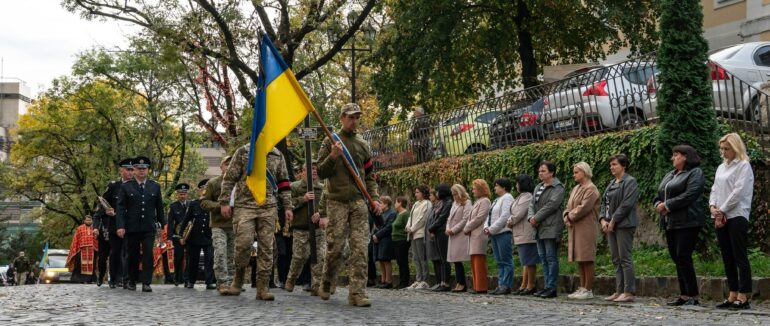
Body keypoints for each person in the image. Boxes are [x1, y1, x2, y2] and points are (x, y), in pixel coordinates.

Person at [316, 103, 382, 307]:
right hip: (336, 201)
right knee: (335, 248)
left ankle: (357, 293)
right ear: (342, 117)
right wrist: (333, 156)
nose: (354, 121)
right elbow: (320, 172)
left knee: (360, 247)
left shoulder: (363, 144)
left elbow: (370, 177)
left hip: (358, 202)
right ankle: (327, 281)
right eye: (351, 117)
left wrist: (375, 198)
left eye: (357, 117)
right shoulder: (330, 141)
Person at [218, 145, 294, 301]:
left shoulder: (277, 154)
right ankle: (237, 282)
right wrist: (224, 201)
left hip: (268, 206)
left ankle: (262, 288)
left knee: (267, 248)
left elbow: (284, 182)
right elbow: (230, 178)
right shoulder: (243, 151)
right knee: (243, 244)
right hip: (244, 205)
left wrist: (288, 206)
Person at [653, 145, 706, 306]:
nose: (672, 158)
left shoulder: (695, 173)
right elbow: (659, 194)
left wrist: (667, 205)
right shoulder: (670, 175)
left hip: (688, 221)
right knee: (677, 258)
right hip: (670, 222)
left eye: (676, 155)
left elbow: (690, 194)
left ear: (685, 156)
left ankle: (693, 295)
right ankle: (683, 294)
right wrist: (657, 204)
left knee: (683, 256)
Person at [711, 133, 754, 310]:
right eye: (721, 148)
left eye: (726, 149)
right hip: (721, 215)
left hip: (736, 214)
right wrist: (712, 206)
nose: (723, 152)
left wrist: (722, 210)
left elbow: (738, 192)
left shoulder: (743, 166)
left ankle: (744, 295)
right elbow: (714, 188)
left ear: (735, 148)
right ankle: (732, 293)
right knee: (727, 256)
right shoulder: (721, 167)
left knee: (739, 255)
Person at [116, 156, 166, 292]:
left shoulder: (155, 186)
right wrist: (120, 226)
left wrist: (163, 223)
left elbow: (159, 206)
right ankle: (131, 281)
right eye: (139, 168)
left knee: (148, 254)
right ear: (134, 170)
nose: (142, 171)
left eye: (144, 168)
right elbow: (120, 208)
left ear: (148, 170)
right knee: (133, 254)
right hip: (132, 227)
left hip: (148, 226)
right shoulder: (126, 186)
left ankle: (146, 282)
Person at [600, 154, 639, 303]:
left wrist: (614, 220)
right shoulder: (611, 183)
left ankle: (628, 291)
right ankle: (619, 290)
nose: (612, 167)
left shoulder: (630, 182)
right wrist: (603, 219)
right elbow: (604, 203)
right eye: (610, 165)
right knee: (616, 259)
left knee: (625, 258)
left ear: (624, 166)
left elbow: (627, 204)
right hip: (610, 225)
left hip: (624, 225)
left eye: (615, 164)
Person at [285, 160, 326, 296]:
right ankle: (291, 279)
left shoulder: (322, 187)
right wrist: (303, 199)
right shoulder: (295, 187)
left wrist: (321, 214)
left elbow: (328, 205)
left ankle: (316, 286)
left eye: (316, 169)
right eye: (310, 168)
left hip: (318, 230)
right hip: (301, 228)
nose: (314, 171)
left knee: (319, 257)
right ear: (303, 172)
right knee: (299, 257)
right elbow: (287, 205)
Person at [92, 158, 133, 288]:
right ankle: (114, 278)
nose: (130, 172)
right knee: (116, 253)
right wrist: (107, 213)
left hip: (130, 225)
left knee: (128, 253)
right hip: (114, 226)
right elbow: (103, 204)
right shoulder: (113, 186)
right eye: (127, 169)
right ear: (121, 170)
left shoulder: (136, 186)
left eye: (132, 170)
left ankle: (125, 278)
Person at [528, 161, 565, 299]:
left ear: (551, 172)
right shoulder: (538, 186)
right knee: (543, 258)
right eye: (539, 171)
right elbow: (531, 204)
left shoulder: (558, 187)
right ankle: (546, 286)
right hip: (538, 226)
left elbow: (552, 205)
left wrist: (536, 218)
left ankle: (552, 287)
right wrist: (531, 217)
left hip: (550, 226)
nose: (540, 173)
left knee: (551, 257)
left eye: (543, 171)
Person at [563, 162, 600, 300]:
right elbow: (569, 205)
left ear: (584, 172)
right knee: (579, 257)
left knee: (587, 257)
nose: (574, 175)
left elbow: (584, 207)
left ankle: (588, 289)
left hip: (586, 227)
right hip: (575, 227)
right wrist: (566, 215)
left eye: (576, 172)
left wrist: (570, 216)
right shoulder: (575, 188)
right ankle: (582, 287)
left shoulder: (591, 189)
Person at [200, 155, 236, 292]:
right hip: (218, 225)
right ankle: (222, 282)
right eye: (226, 164)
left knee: (233, 256)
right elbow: (203, 202)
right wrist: (220, 206)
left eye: (232, 164)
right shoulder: (213, 183)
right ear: (221, 167)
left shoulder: (241, 184)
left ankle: (233, 282)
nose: (229, 167)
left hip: (236, 225)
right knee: (220, 253)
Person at [179, 179, 216, 290]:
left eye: (207, 189)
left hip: (208, 236)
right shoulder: (194, 204)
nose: (205, 191)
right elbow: (186, 220)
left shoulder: (213, 203)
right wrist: (181, 235)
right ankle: (191, 281)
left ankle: (209, 281)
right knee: (193, 260)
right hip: (194, 237)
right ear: (199, 190)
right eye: (203, 189)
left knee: (209, 260)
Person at [507, 174, 539, 296]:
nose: (516, 185)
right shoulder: (521, 196)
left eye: (517, 183)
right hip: (520, 233)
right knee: (525, 261)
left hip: (526, 233)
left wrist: (509, 221)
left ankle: (531, 285)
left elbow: (518, 213)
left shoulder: (528, 197)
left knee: (529, 260)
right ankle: (524, 284)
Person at [486, 178, 515, 295]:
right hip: (494, 233)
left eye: (497, 186)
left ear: (503, 187)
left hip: (503, 232)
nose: (495, 188)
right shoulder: (496, 200)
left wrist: (491, 228)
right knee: (499, 261)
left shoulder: (508, 197)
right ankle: (500, 284)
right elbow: (489, 216)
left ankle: (506, 285)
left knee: (506, 260)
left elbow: (505, 216)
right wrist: (486, 227)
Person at [465, 179, 491, 294]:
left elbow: (479, 218)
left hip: (479, 234)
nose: (473, 191)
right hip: (474, 234)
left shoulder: (485, 201)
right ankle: (477, 285)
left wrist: (467, 227)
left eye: (475, 188)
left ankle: (481, 286)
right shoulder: (478, 201)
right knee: (474, 259)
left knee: (479, 260)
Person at [446, 184, 472, 292]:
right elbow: (449, 218)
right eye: (453, 195)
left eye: (456, 194)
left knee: (458, 259)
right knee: (455, 260)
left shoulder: (467, 202)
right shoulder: (455, 203)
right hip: (452, 234)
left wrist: (454, 229)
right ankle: (459, 282)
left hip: (460, 234)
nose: (454, 197)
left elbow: (465, 219)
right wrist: (448, 228)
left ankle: (462, 283)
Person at [405, 185, 432, 290]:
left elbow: (423, 219)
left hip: (420, 233)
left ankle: (425, 280)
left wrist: (413, 228)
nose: (415, 194)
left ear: (423, 193)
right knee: (416, 258)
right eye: (415, 192)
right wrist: (408, 226)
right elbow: (411, 217)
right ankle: (418, 279)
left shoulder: (427, 204)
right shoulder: (416, 204)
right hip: (413, 234)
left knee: (422, 258)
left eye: (417, 192)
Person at [428, 184, 453, 292]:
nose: (436, 193)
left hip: (442, 231)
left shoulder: (448, 203)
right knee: (441, 259)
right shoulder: (442, 203)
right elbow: (436, 217)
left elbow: (442, 217)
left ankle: (446, 283)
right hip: (437, 231)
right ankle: (442, 282)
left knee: (444, 258)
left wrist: (431, 228)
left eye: (437, 191)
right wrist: (432, 229)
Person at [167, 183, 191, 287]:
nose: (182, 196)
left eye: (184, 194)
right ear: (177, 194)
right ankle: (177, 277)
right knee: (179, 258)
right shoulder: (173, 206)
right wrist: (170, 237)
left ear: (187, 195)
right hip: (178, 237)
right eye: (180, 194)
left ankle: (187, 279)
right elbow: (170, 223)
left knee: (190, 258)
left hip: (190, 236)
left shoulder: (191, 205)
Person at [66, 215, 99, 284]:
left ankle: (90, 279)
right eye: (87, 220)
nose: (88, 221)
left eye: (90, 220)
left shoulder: (95, 229)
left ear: (92, 221)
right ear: (84, 221)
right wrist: (76, 249)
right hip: (81, 250)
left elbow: (97, 239)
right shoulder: (80, 228)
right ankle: (80, 279)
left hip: (92, 250)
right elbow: (76, 239)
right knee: (80, 265)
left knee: (92, 265)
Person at [373, 196, 396, 289]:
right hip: (379, 239)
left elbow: (388, 227)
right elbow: (377, 225)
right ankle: (383, 280)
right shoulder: (381, 213)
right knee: (381, 259)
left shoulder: (392, 214)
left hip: (387, 239)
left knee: (386, 260)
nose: (380, 205)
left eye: (381, 203)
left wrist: (378, 235)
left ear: (386, 204)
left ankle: (388, 280)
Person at [391, 196, 411, 289]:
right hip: (395, 240)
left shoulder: (405, 214)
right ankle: (401, 280)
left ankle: (404, 281)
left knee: (403, 261)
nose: (394, 204)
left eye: (396, 202)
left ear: (400, 203)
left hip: (402, 240)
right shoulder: (398, 214)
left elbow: (408, 226)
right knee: (399, 261)